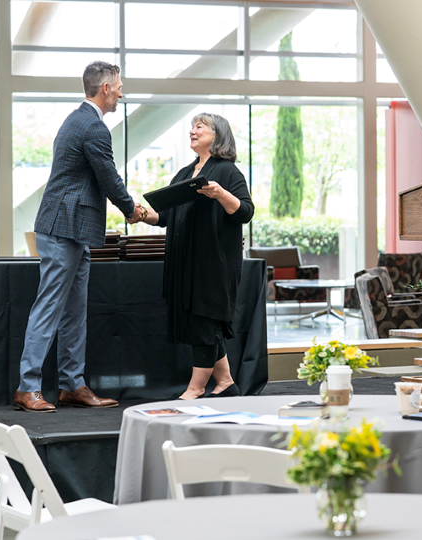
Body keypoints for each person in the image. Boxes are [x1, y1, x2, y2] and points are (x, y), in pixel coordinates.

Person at [15, 61, 144, 412]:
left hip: (73, 229)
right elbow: (109, 178)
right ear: (105, 89)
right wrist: (132, 208)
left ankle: (72, 385)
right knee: (50, 307)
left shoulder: (78, 119)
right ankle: (28, 388)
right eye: (118, 86)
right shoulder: (93, 127)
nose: (121, 92)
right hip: (64, 228)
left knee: (74, 310)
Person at [139, 113, 254, 400]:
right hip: (185, 263)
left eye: (200, 127)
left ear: (218, 135)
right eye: (192, 127)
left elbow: (245, 212)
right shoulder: (183, 174)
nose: (192, 131)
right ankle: (226, 382)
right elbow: (165, 217)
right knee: (201, 324)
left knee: (205, 323)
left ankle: (196, 388)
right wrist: (145, 216)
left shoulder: (228, 172)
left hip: (212, 264)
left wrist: (220, 194)